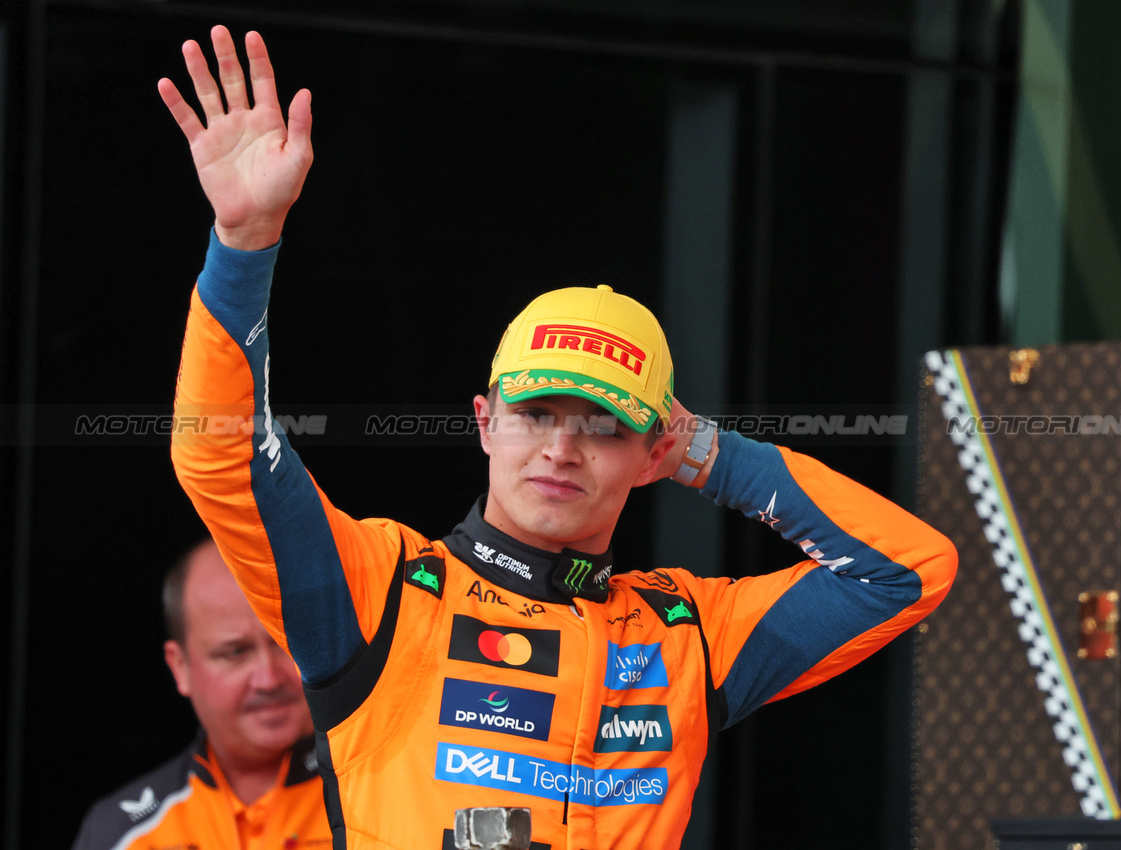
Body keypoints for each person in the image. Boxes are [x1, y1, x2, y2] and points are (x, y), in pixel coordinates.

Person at [162, 26, 958, 850]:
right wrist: (243, 245)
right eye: (536, 415)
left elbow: (906, 571)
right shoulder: (384, 592)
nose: (560, 450)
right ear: (485, 423)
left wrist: (716, 457)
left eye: (604, 427)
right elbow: (219, 454)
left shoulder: (685, 635)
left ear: (654, 454)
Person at [71, 540, 331, 850]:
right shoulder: (123, 834)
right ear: (180, 668)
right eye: (235, 652)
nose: (268, 678)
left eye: (285, 642)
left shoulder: (384, 793)